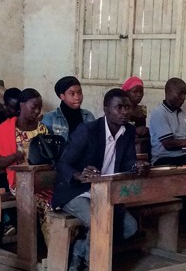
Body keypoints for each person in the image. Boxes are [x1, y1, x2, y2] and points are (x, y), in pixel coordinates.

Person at [51, 88, 149, 270]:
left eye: (127, 108)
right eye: (119, 108)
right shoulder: (88, 131)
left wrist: (136, 166)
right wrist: (78, 175)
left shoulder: (128, 131)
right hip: (76, 191)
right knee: (99, 223)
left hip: (104, 192)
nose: (124, 112)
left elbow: (128, 160)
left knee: (130, 227)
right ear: (106, 109)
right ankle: (93, 264)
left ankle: (79, 250)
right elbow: (62, 163)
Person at [0, 88, 49, 195]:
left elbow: (49, 158)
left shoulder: (42, 129)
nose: (37, 111)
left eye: (39, 108)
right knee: (43, 201)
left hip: (41, 179)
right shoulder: (6, 129)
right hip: (19, 182)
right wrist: (14, 157)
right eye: (33, 107)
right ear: (22, 105)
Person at [41, 76, 95, 141]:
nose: (77, 97)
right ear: (62, 96)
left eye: (79, 93)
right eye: (72, 94)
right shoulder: (49, 119)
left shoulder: (88, 116)